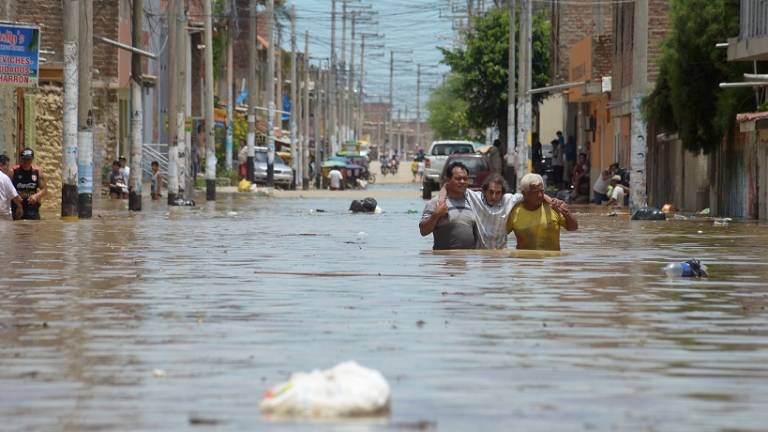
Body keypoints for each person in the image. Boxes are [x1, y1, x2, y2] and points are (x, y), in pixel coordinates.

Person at [506, 173, 578, 251]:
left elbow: (573, 228)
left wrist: (567, 213)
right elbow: (500, 236)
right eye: (535, 192)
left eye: (542, 191)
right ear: (524, 194)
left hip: (552, 258)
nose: (540, 195)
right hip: (525, 258)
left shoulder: (553, 207)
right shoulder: (514, 213)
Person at [419, 161, 477, 250]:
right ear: (448, 180)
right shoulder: (436, 203)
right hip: (444, 257)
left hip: (469, 256)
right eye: (458, 178)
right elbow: (423, 231)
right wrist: (436, 215)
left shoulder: (473, 201)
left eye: (465, 179)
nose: (462, 182)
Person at [11, 148, 47, 220]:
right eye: (24, 159)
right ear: (20, 159)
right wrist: (16, 199)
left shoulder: (37, 171)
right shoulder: (13, 171)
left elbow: (44, 190)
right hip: (17, 204)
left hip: (32, 205)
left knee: (33, 225)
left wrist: (36, 196)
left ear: (32, 159)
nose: (26, 162)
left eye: (28, 159)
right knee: (16, 225)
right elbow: (8, 189)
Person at [0, 154, 23, 220]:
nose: (8, 169)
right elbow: (15, 197)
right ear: (1, 165)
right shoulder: (4, 178)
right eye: (7, 166)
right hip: (3, 215)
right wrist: (20, 206)